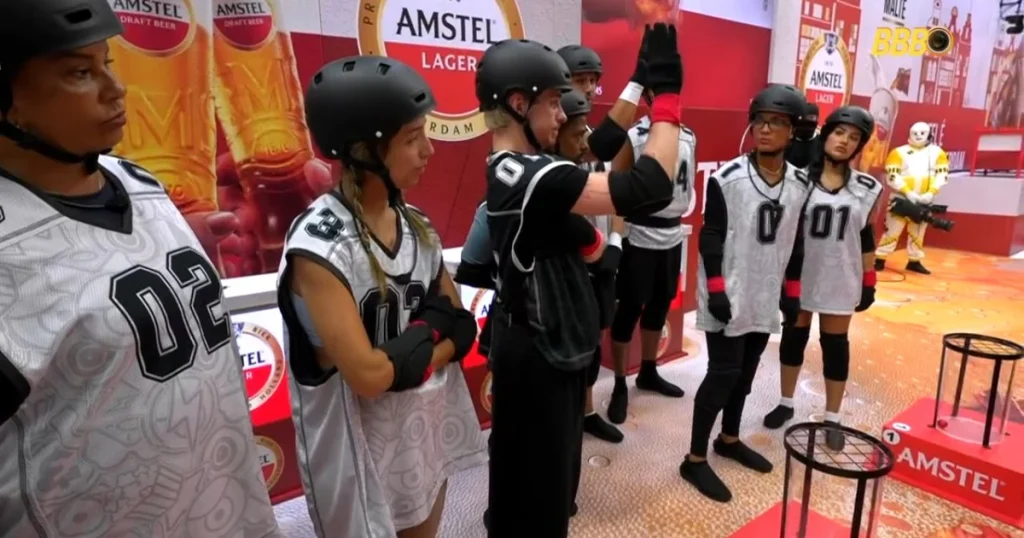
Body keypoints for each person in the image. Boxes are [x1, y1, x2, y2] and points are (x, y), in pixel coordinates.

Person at [0, 1, 280, 536]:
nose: (116, 88)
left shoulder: (140, 183)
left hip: (227, 504)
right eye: (79, 72)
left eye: (106, 62)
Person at [477, 25, 683, 536]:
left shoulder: (518, 167)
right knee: (543, 488)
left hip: (535, 342)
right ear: (520, 104)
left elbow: (600, 142)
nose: (562, 114)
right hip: (539, 352)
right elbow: (652, 186)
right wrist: (669, 98)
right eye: (553, 103)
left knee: (529, 474)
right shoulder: (534, 177)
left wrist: (638, 81)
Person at [277, 56, 487, 537]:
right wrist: (432, 330)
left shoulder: (417, 225)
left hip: (421, 435)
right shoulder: (320, 246)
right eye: (412, 138)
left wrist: (410, 355)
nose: (428, 150)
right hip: (357, 453)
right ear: (362, 150)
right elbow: (369, 378)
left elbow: (462, 326)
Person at [682, 83, 811, 503]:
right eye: (760, 121)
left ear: (794, 131)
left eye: (776, 122)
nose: (765, 129)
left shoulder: (800, 184)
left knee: (746, 373)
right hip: (729, 291)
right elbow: (711, 236)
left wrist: (792, 293)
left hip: (765, 292)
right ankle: (694, 459)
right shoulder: (729, 178)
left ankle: (730, 439)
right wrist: (716, 290)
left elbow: (796, 242)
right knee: (722, 374)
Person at [763, 106, 882, 451]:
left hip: (841, 278)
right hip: (800, 276)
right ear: (826, 135)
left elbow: (866, 237)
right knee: (793, 338)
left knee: (835, 347)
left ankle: (832, 416)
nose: (844, 141)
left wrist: (869, 280)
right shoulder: (796, 181)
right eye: (839, 133)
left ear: (859, 146)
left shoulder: (866, 188)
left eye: (854, 137)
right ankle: (786, 402)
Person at [604, 87, 696, 424]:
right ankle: (618, 382)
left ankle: (648, 370)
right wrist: (616, 237)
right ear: (647, 98)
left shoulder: (689, 136)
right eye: (659, 93)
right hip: (640, 233)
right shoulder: (634, 137)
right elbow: (618, 189)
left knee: (660, 304)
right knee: (629, 308)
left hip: (672, 232)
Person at [874, 121, 949, 275]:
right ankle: (880, 259)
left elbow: (942, 175)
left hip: (925, 200)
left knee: (918, 232)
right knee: (892, 230)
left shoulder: (938, 153)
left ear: (929, 134)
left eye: (922, 133)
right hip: (901, 198)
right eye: (915, 133)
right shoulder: (898, 152)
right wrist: (908, 192)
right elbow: (892, 175)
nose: (918, 136)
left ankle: (914, 261)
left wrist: (931, 192)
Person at [557, 41, 646, 161]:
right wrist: (637, 83)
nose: (589, 89)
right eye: (580, 81)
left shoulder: (589, 130)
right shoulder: (555, 128)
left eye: (592, 81)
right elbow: (601, 147)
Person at [785, 102, 819, 168]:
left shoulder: (822, 144)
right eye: (803, 117)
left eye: (811, 118)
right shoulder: (786, 142)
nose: (807, 121)